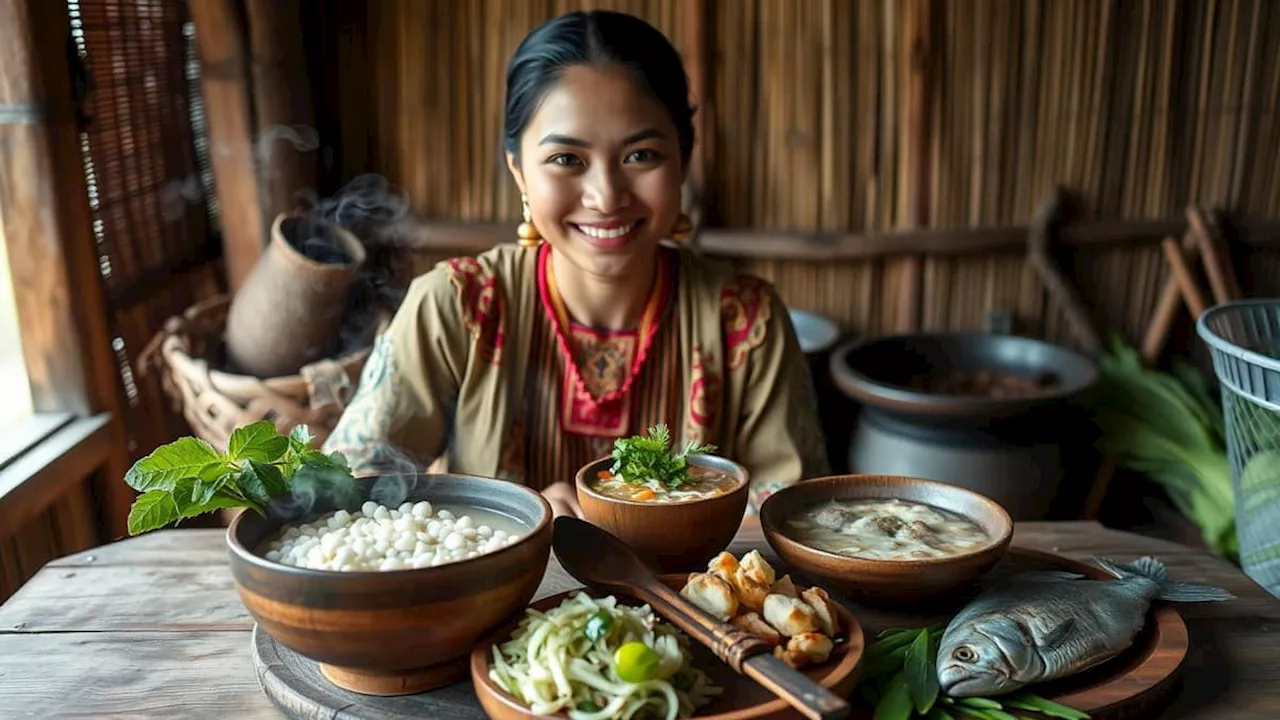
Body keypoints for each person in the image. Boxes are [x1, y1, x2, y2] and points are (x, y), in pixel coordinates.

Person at [323, 10, 828, 517]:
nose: (606, 196)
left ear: (684, 158)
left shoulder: (746, 322)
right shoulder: (458, 307)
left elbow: (794, 513)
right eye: (567, 159)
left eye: (641, 155)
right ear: (518, 170)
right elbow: (344, 491)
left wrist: (651, 519)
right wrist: (514, 518)